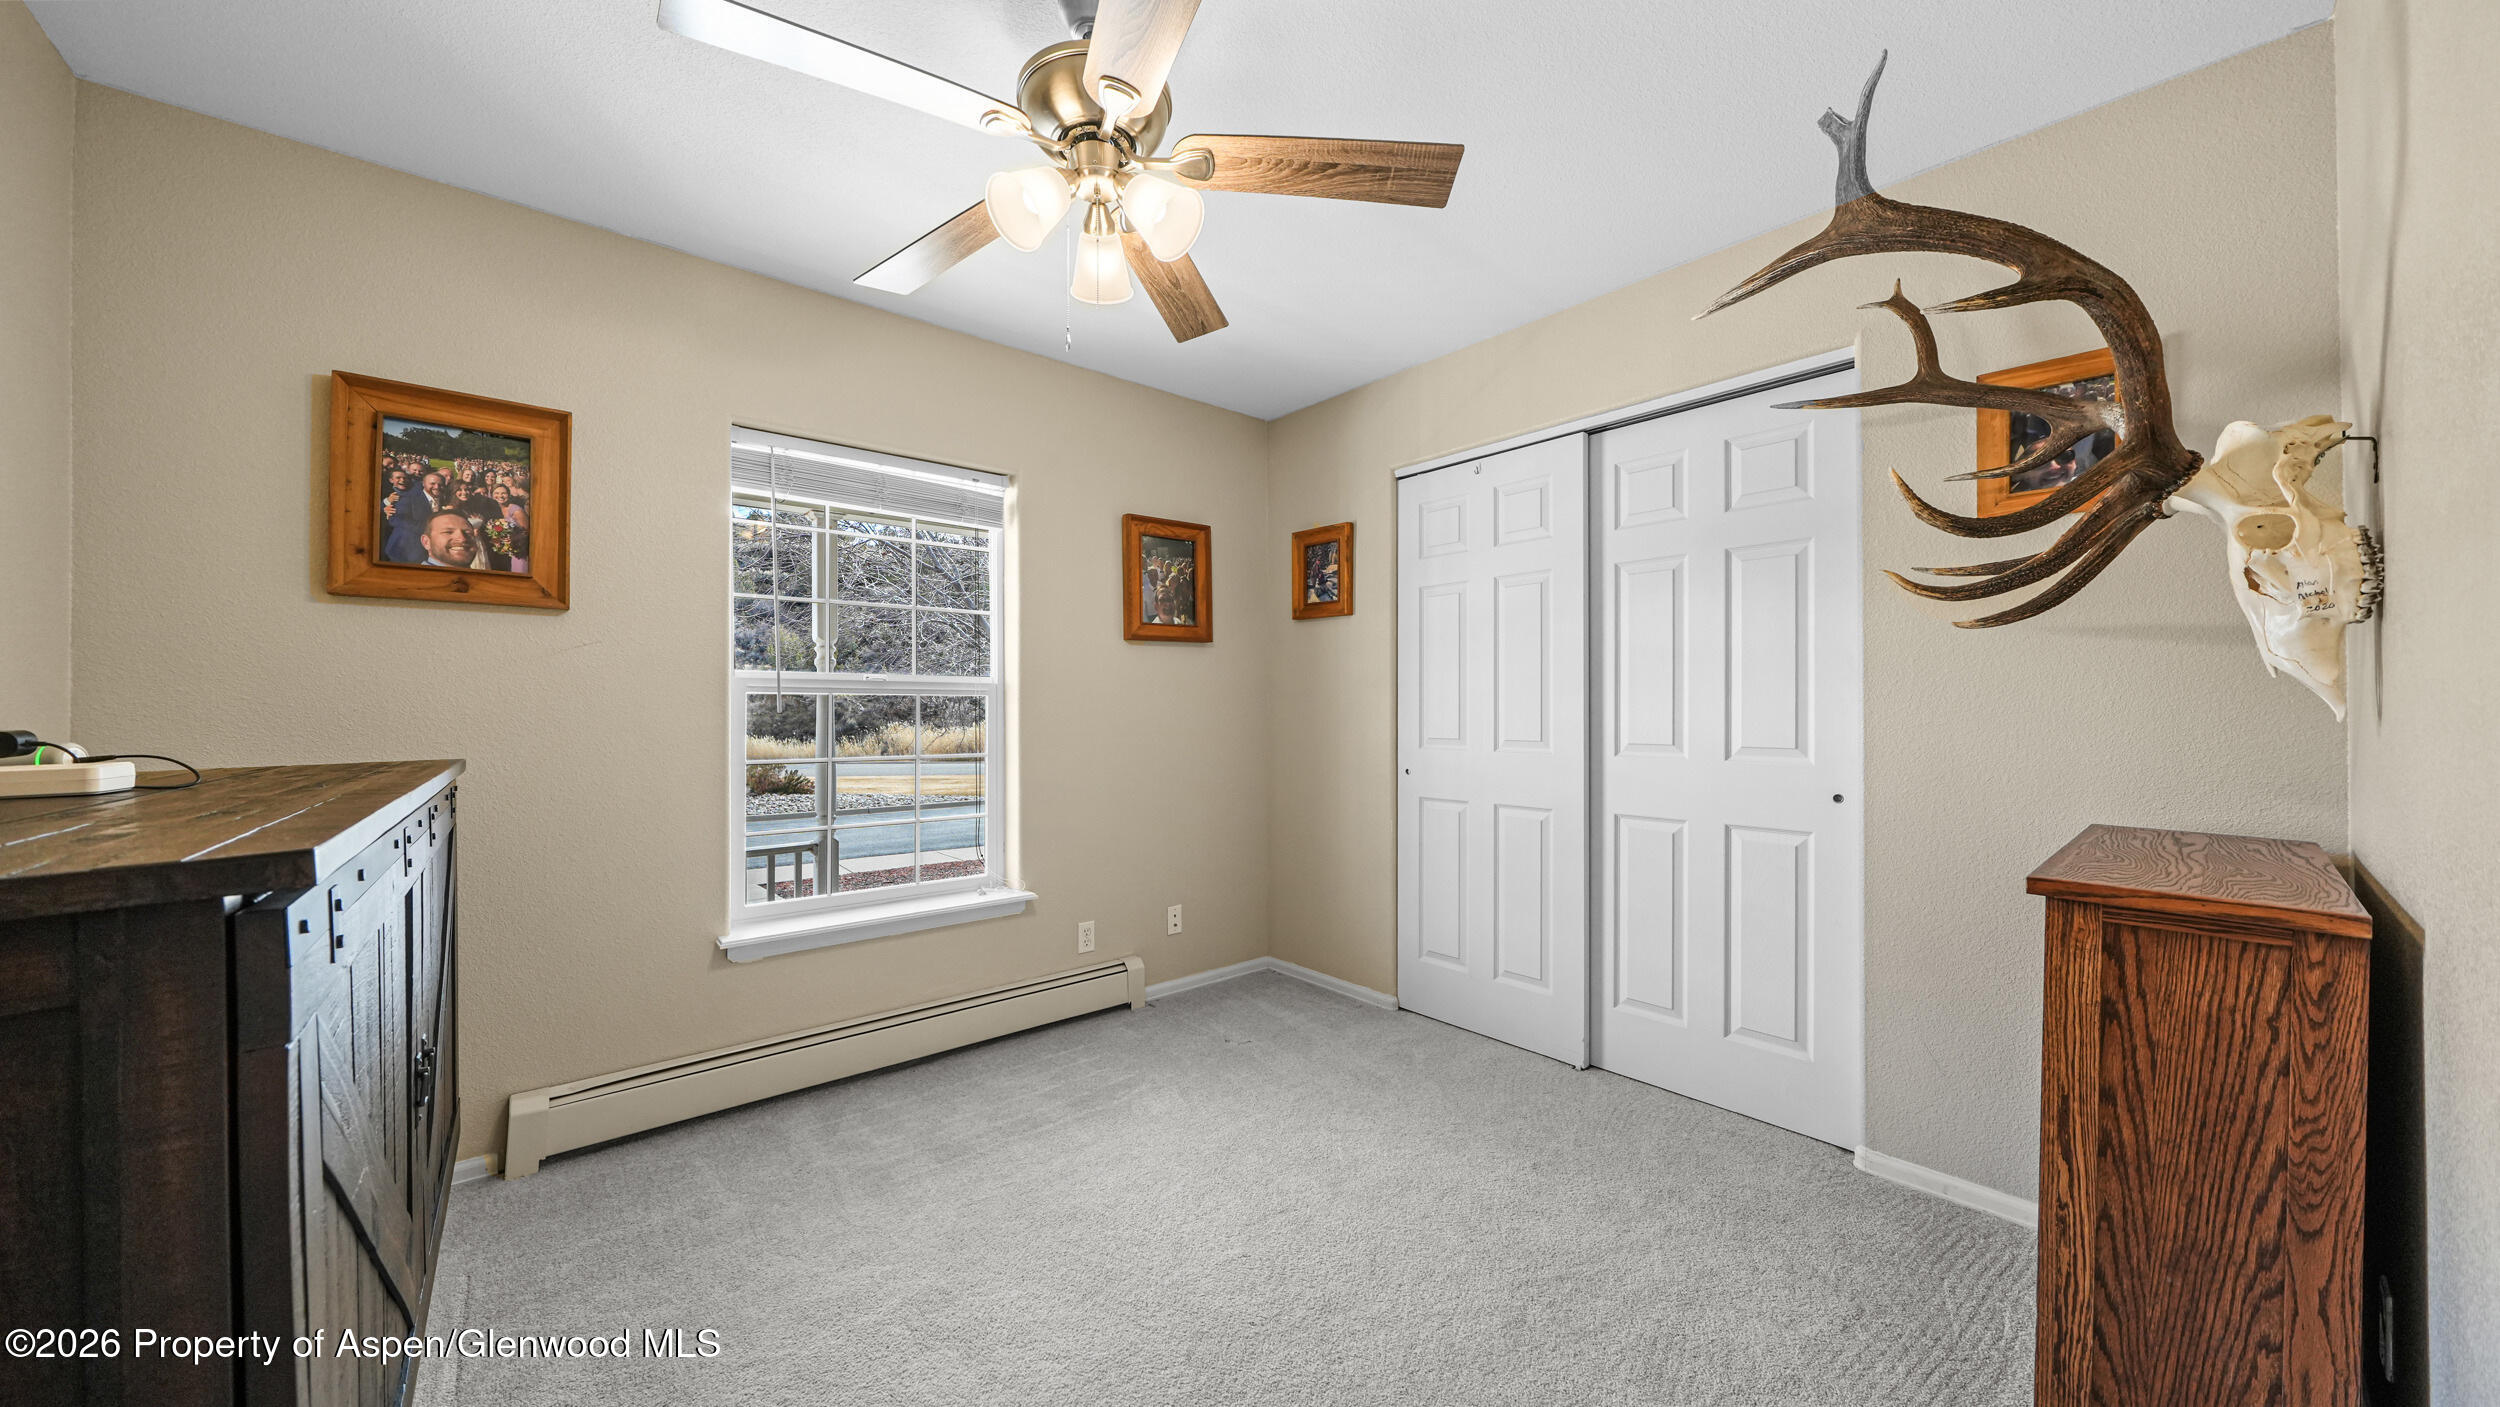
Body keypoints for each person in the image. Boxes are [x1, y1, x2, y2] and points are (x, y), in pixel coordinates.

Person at [382, 470, 443, 564]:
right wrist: (430, 531)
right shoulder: (409, 497)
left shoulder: (444, 499)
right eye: (432, 483)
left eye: (440, 484)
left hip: (428, 554)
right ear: (423, 484)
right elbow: (395, 519)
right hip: (404, 552)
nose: (437, 487)